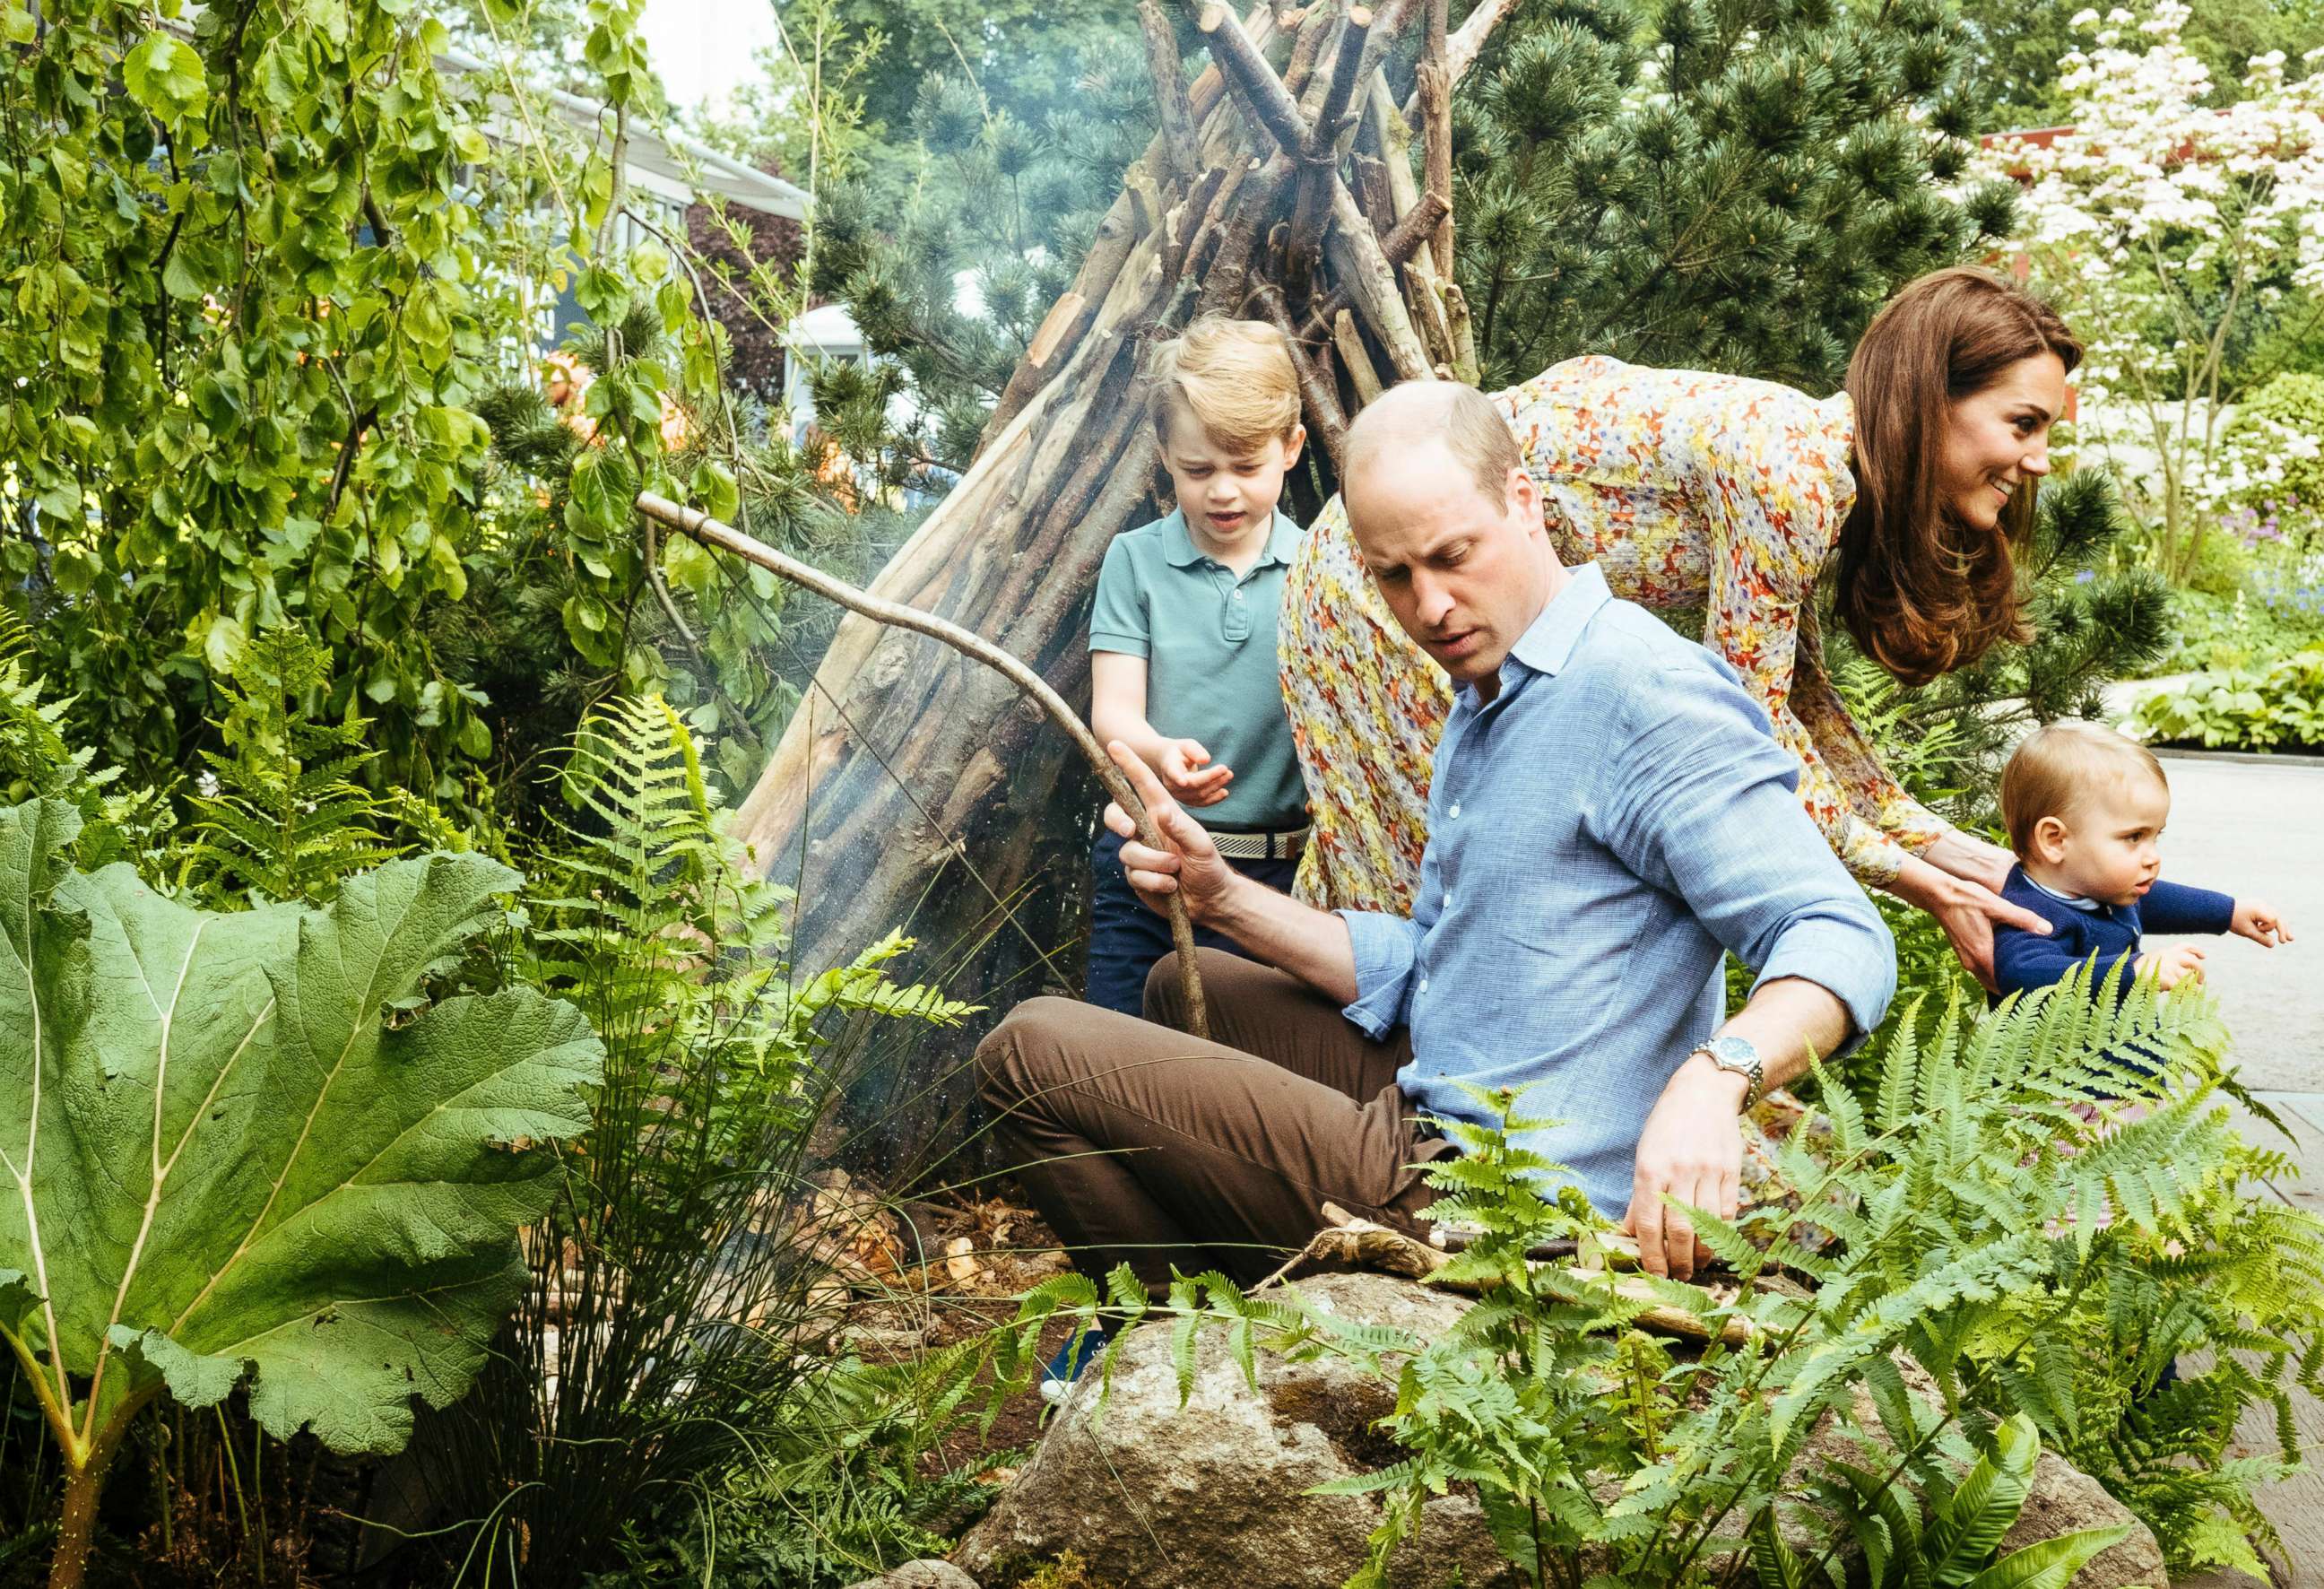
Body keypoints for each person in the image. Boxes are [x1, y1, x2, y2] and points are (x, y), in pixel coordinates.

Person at [979, 382, 1895, 1396]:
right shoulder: (1494, 691)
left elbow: (1838, 933)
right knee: (1182, 990)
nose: (1431, 607)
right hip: (1456, 1087)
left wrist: (1716, 1077)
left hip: (1500, 1203)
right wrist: (1220, 895)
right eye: (1395, 575)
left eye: (1454, 556)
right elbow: (1450, 962)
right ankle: (1239, 1312)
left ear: (1527, 501)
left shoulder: (1642, 691)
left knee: (1028, 1053)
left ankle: (1198, 1342)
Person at [1280, 266, 2082, 990]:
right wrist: (1914, 879)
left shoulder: (1820, 471)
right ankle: (1405, 1131)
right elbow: (1755, 734)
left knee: (1420, 874)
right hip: (1371, 576)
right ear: (1931, 400)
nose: (2040, 459)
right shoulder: (1791, 474)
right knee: (1437, 886)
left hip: (1407, 571)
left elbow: (1801, 703)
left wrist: (1946, 849)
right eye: (2023, 423)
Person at [1082, 318, 1314, 1015]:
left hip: (1277, 876)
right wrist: (1158, 751)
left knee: (1243, 1074)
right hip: (1149, 859)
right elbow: (1113, 710)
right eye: (1198, 469)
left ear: (1292, 448)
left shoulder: (1319, 570)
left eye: (1247, 467)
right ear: (1164, 455)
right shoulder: (1136, 560)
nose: (1223, 492)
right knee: (1122, 1057)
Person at [1990, 721, 2291, 1006]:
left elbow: (2152, 901)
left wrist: (2229, 911)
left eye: (2155, 836)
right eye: (2134, 837)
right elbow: (2023, 974)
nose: (2153, 857)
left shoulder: (2103, 889)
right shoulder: (2030, 914)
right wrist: (2134, 970)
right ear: (2055, 840)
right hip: (2065, 1060)